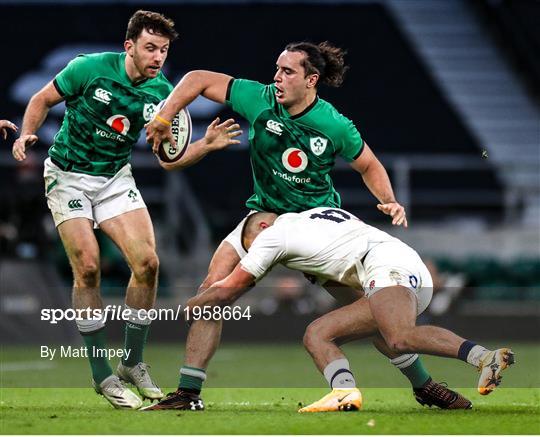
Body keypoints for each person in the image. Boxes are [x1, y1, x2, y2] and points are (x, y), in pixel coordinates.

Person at [144, 42, 471, 411]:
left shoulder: (333, 124)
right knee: (213, 290)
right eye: (277, 69)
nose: (277, 78)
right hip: (264, 219)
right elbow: (199, 79)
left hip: (318, 233)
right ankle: (188, 394)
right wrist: (164, 115)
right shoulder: (260, 98)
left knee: (376, 316)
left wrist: (389, 198)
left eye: (288, 72)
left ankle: (424, 385)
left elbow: (369, 164)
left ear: (311, 79)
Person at [11, 10, 241, 410]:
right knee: (87, 266)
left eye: (164, 50)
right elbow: (41, 99)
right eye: (150, 48)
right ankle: (101, 375)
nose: (157, 57)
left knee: (148, 264)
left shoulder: (161, 95)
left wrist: (204, 145)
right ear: (128, 46)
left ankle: (132, 362)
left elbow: (169, 159)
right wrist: (30, 131)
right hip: (68, 175)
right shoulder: (89, 68)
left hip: (115, 179)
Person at [176, 208, 514, 412]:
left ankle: (483, 357)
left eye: (249, 248)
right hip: (396, 262)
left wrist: (182, 308)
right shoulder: (313, 220)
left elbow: (230, 289)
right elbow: (347, 292)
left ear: (262, 229)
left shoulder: (271, 237)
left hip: (387, 266)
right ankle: (421, 387)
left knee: (393, 336)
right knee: (361, 334)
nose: (254, 256)